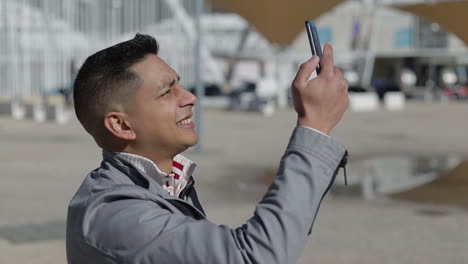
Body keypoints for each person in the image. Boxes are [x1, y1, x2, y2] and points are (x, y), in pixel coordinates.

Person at [66, 33, 349, 264]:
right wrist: (313, 127)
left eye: (180, 85)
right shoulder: (113, 214)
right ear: (121, 125)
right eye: (167, 91)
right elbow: (253, 257)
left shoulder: (163, 183)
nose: (189, 98)